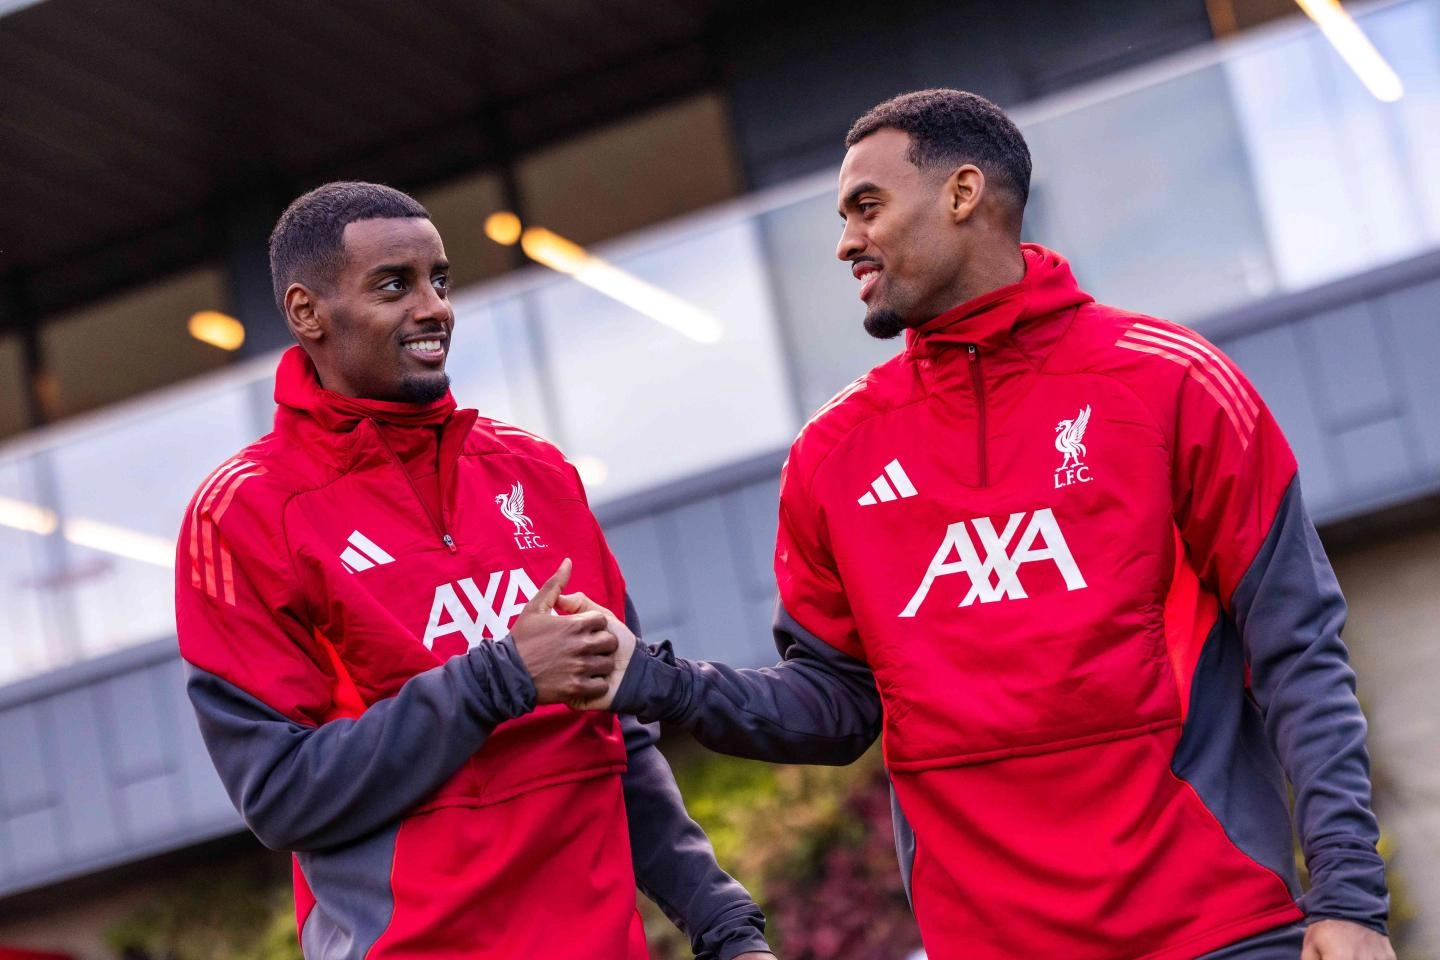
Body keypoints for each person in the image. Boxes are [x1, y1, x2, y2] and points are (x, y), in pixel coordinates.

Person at [589, 90, 1396, 960]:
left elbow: (1298, 650)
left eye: (867, 206)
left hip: (1217, 932)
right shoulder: (834, 454)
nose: (846, 242)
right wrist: (658, 682)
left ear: (963, 192)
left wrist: (1349, 897)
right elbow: (836, 704)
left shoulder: (1173, 385)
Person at [175, 181, 775, 960]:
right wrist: (501, 678)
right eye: (394, 285)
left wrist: (724, 925)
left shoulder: (537, 473)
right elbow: (281, 794)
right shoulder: (243, 514)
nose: (434, 308)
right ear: (307, 312)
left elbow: (618, 737)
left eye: (440, 280)